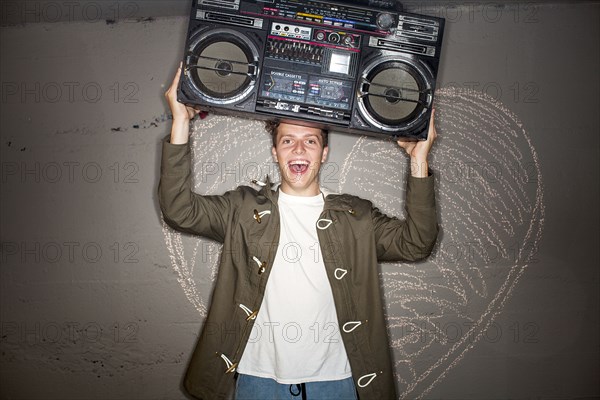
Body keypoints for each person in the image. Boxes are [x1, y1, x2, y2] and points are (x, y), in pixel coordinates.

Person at [159, 63, 439, 399]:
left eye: (310, 141)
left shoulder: (357, 217)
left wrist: (419, 159)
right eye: (288, 140)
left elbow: (417, 243)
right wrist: (180, 121)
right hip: (259, 378)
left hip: (336, 380)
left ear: (324, 153)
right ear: (275, 152)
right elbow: (179, 211)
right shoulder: (242, 209)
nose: (299, 149)